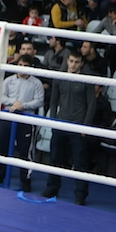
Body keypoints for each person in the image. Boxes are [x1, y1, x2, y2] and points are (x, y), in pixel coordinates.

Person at [41, 51, 96, 205]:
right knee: (55, 158)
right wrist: (53, 120)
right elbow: (53, 101)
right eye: (71, 61)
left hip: (78, 126)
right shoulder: (60, 77)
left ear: (81, 64)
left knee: (80, 163)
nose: (73, 65)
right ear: (67, 61)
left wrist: (85, 126)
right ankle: (52, 187)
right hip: (61, 123)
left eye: (76, 62)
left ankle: (81, 194)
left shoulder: (86, 80)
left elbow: (91, 105)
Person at [0, 54, 44, 192]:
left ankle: (25, 179)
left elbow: (39, 101)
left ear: (31, 67)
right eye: (20, 65)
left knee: (25, 150)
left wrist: (23, 106)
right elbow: (0, 96)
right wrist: (15, 103)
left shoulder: (37, 83)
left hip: (26, 119)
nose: (22, 68)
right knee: (1, 146)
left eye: (25, 66)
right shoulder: (8, 81)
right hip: (7, 116)